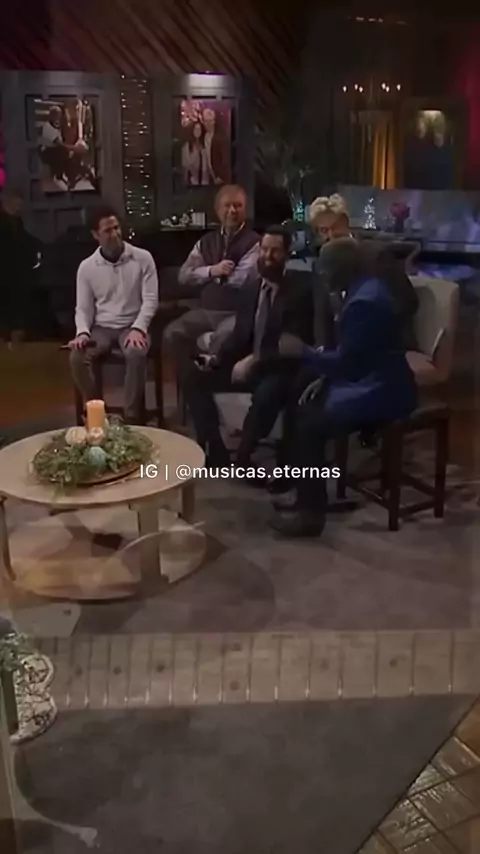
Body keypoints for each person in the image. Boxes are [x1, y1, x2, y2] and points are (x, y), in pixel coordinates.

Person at [271, 238, 417, 537]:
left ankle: (311, 516)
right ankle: (306, 494)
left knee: (310, 427)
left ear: (343, 269)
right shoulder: (362, 288)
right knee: (301, 403)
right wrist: (324, 377)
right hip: (369, 378)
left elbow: (350, 366)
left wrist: (303, 352)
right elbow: (355, 354)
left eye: (326, 271)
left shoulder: (364, 303)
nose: (323, 278)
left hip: (386, 390)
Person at [179, 226, 314, 466]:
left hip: (281, 367)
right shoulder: (251, 289)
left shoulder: (300, 291)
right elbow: (240, 334)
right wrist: (217, 358)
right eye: (264, 250)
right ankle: (215, 449)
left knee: (268, 392)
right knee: (193, 376)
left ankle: (244, 455)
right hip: (247, 361)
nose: (267, 256)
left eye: (275, 251)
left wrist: (255, 359)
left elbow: (291, 342)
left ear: (286, 254)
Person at [68, 205, 158, 424]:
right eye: (108, 230)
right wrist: (82, 333)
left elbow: (150, 300)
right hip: (102, 327)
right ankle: (98, 412)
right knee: (77, 357)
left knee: (135, 352)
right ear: (95, 234)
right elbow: (83, 308)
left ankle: (131, 417)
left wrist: (139, 328)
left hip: (133, 324)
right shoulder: (87, 267)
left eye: (117, 228)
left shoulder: (142, 258)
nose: (115, 234)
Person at [164, 184, 259, 372]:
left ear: (245, 209)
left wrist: (202, 275)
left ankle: (207, 355)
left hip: (236, 313)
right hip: (207, 312)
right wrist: (211, 271)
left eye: (238, 206)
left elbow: (239, 280)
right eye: (227, 206)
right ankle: (191, 376)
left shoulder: (255, 243)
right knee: (172, 333)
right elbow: (184, 276)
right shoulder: (206, 242)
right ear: (218, 210)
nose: (232, 211)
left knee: (222, 336)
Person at [0, 187, 39, 344]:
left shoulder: (18, 225)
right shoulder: (6, 225)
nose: (20, 205)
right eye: (17, 201)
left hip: (16, 282)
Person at [203, 107, 230, 185]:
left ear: (214, 121)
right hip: (211, 177)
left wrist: (221, 177)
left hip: (220, 179)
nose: (208, 124)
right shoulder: (205, 136)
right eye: (206, 121)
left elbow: (225, 159)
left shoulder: (221, 137)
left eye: (210, 121)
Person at [181, 121, 209, 186]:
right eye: (196, 129)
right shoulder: (187, 146)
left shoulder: (204, 144)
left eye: (199, 129)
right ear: (192, 130)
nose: (197, 131)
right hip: (193, 181)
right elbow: (185, 165)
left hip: (205, 181)